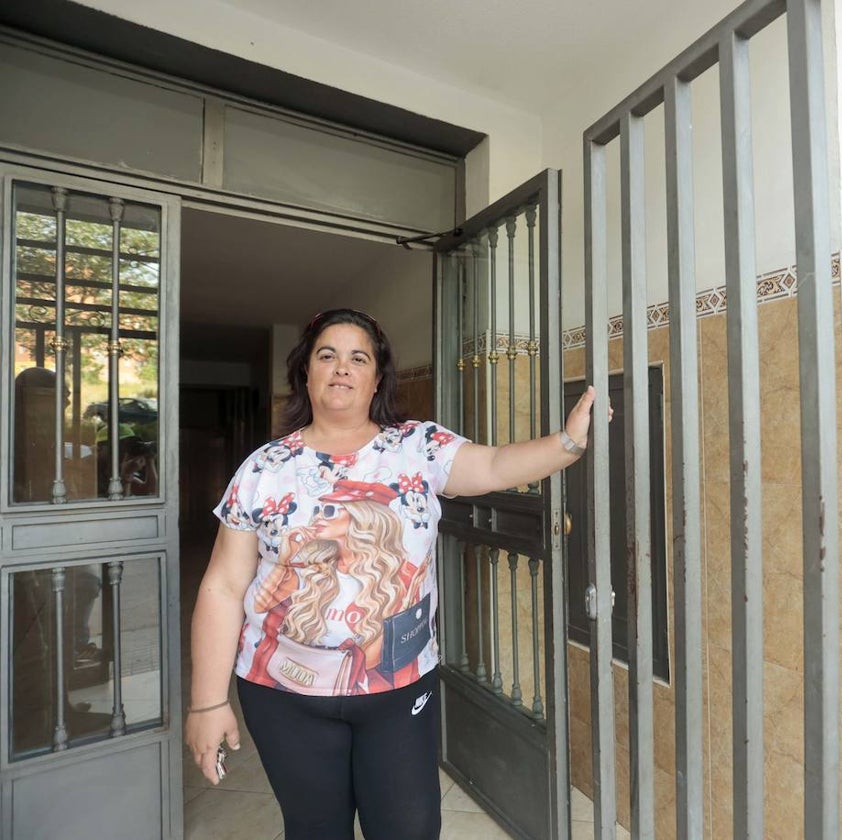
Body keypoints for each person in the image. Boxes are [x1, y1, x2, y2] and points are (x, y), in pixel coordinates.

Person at [184, 308, 607, 839]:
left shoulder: (417, 447)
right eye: (327, 356)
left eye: (357, 358)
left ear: (376, 378)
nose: (342, 368)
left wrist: (569, 442)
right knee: (315, 829)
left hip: (398, 686)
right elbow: (223, 585)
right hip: (281, 693)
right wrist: (207, 700)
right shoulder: (263, 469)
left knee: (408, 828)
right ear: (306, 374)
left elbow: (498, 464)